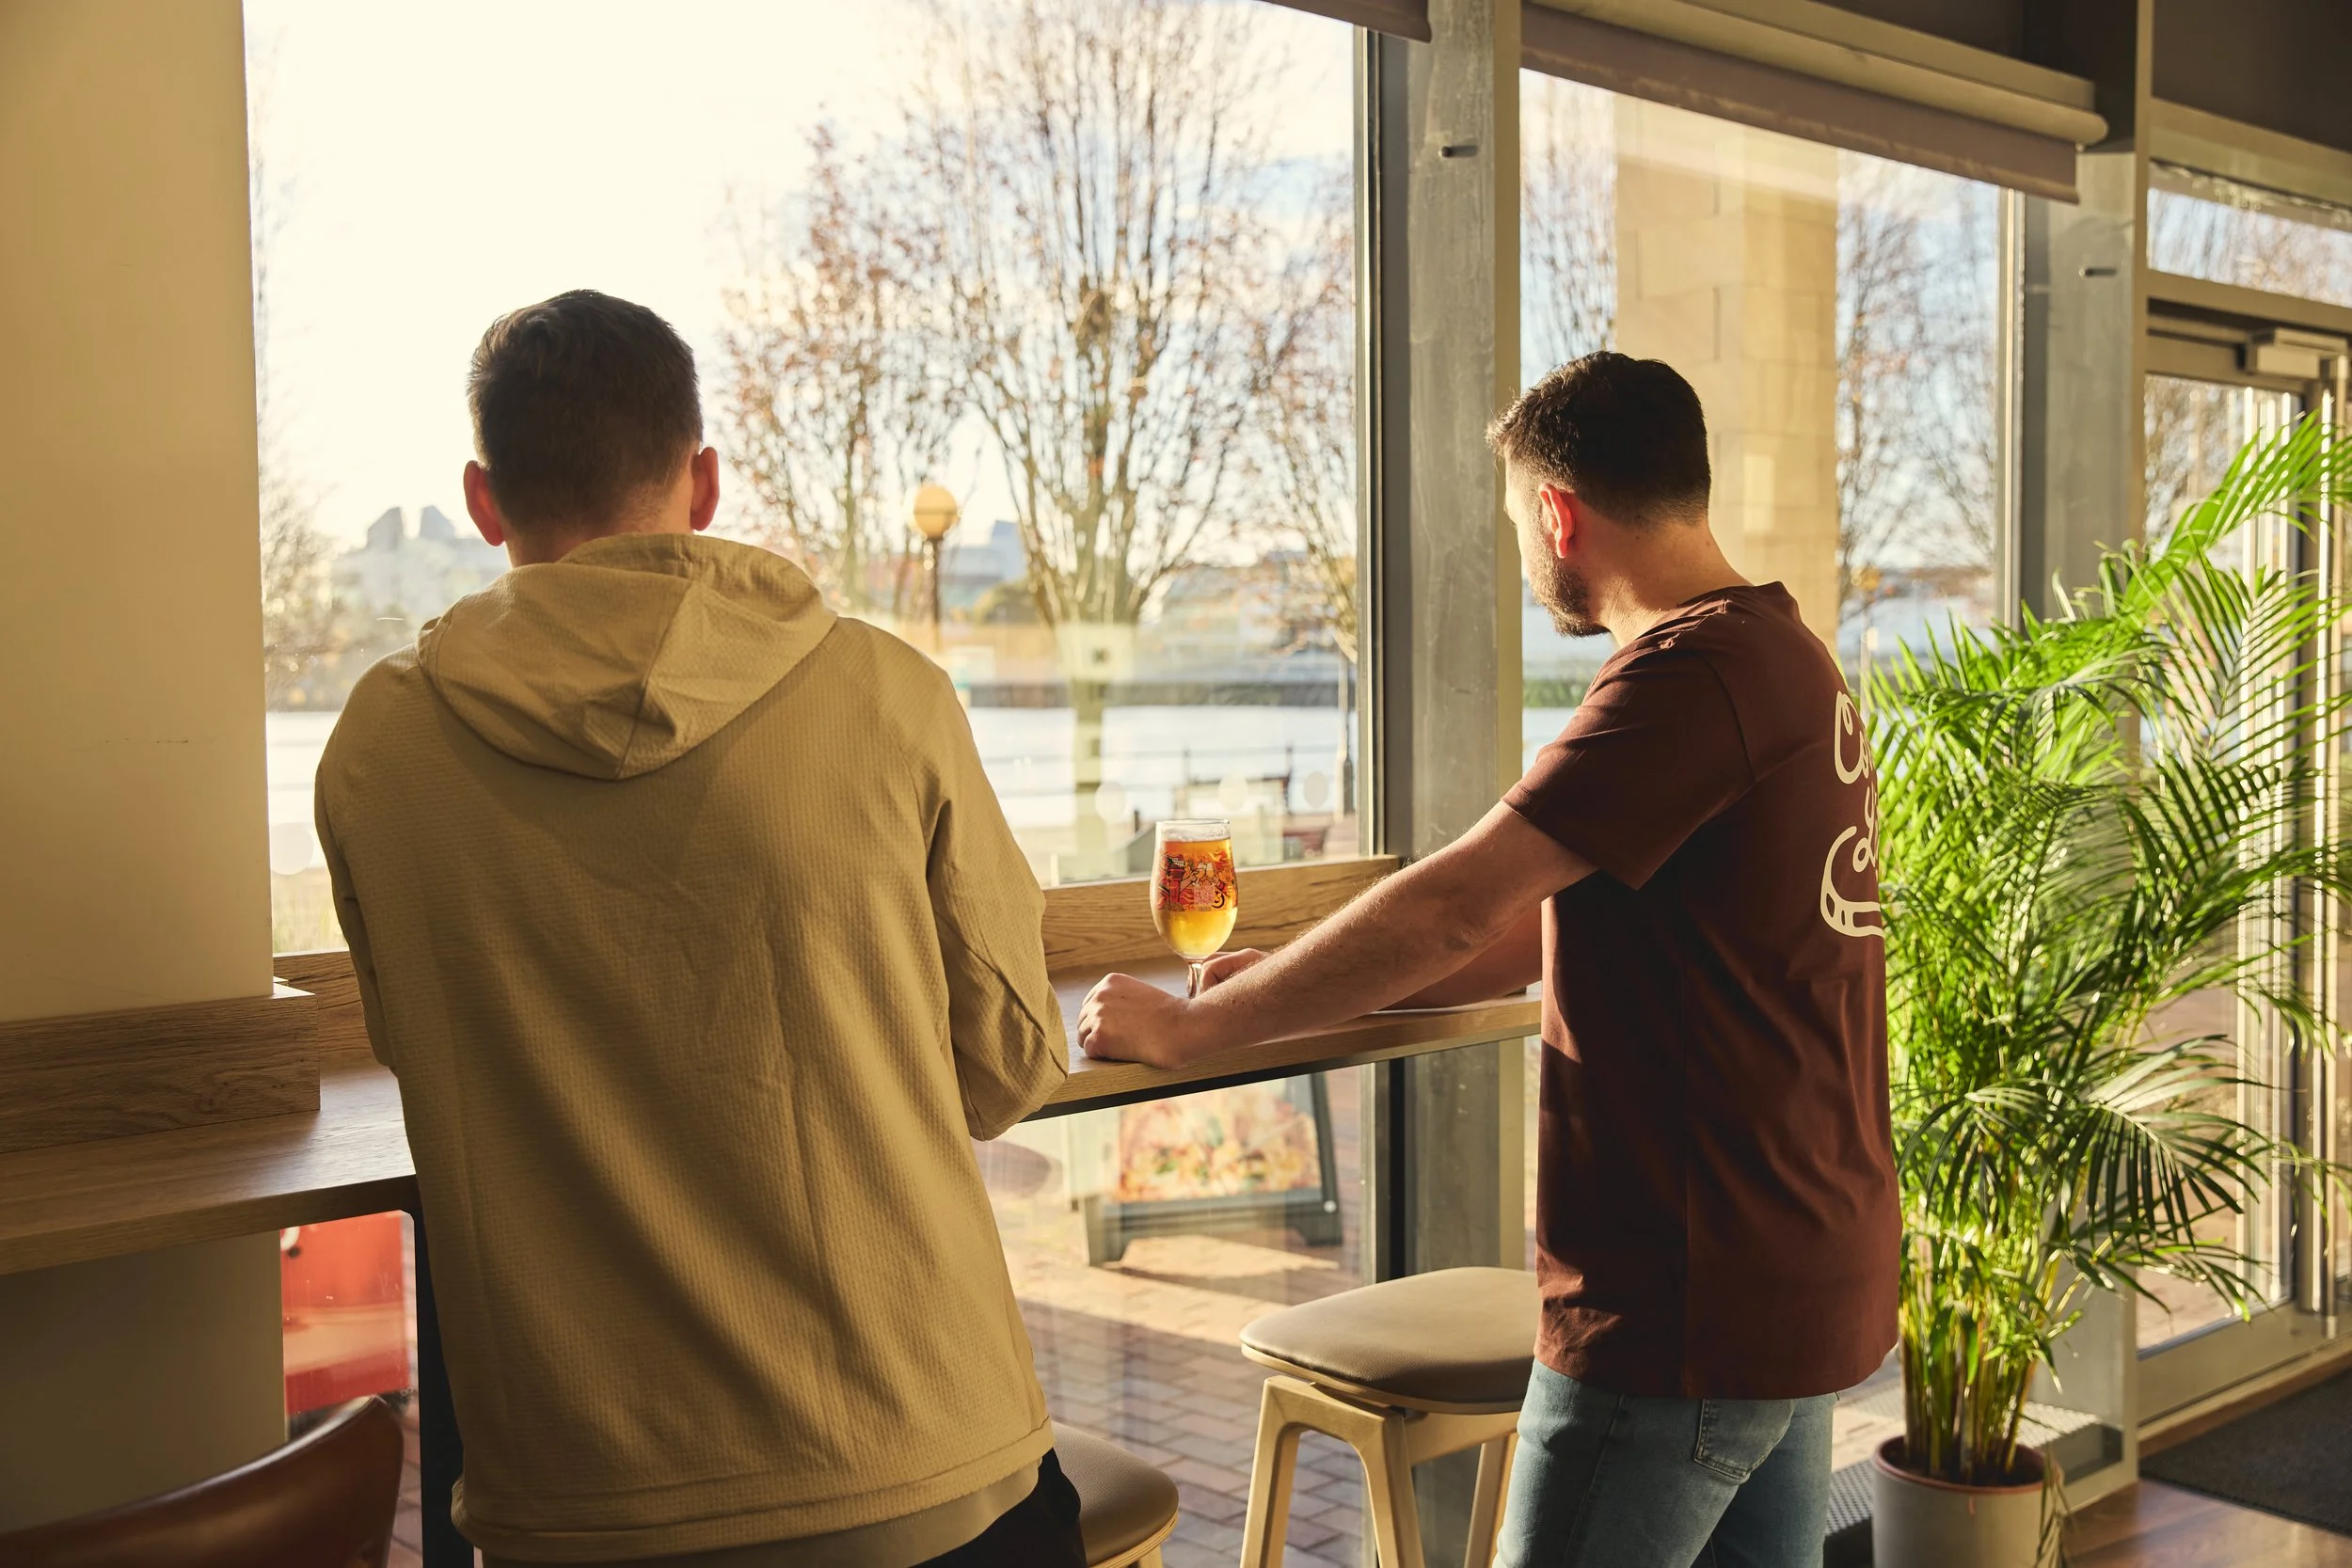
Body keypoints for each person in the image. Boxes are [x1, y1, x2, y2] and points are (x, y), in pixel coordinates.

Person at [1079, 352, 1897, 1567]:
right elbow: (1526, 920)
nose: (1525, 554)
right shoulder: (1784, 656)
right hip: (1789, 1267)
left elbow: (1461, 899)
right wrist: (1275, 975)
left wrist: (1196, 1028)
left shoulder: (1689, 672)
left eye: (1520, 520)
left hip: (1683, 1300)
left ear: (1559, 511)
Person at [317, 290, 1083, 1568]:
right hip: (922, 1465)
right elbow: (1008, 1064)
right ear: (706, 478)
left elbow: (425, 1049)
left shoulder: (379, 747)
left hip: (579, 1499)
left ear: (484, 498)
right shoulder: (888, 696)